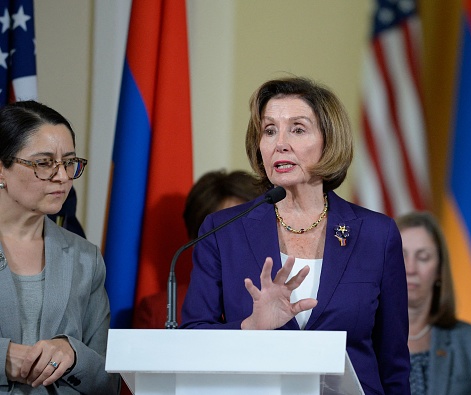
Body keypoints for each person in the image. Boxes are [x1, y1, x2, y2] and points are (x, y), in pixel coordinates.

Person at [181, 77, 410, 394]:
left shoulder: (377, 235)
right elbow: (191, 338)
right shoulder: (223, 231)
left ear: (329, 142)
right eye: (270, 130)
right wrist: (251, 327)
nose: (280, 143)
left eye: (298, 129)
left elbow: (393, 362)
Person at [0, 101, 120, 394]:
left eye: (68, 162)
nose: (63, 176)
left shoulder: (84, 257)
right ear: (1, 170)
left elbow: (110, 381)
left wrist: (73, 354)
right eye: (43, 163)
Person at [132, 169, 262, 329]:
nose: (237, 240)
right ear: (196, 239)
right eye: (228, 232)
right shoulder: (159, 311)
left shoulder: (279, 299)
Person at [396, 211, 471, 395]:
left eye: (423, 257)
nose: (410, 268)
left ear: (440, 270)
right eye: (401, 255)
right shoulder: (361, 338)